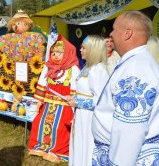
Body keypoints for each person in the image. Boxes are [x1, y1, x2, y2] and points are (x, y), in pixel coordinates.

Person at [92, 10, 159, 165]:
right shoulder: (137, 62)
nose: (111, 34)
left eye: (114, 29)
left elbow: (130, 131)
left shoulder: (135, 69)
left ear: (127, 33)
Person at [28, 35, 80, 163]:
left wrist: (74, 111)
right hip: (47, 105)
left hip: (65, 107)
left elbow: (75, 90)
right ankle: (41, 147)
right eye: (53, 52)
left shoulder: (73, 69)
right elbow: (41, 85)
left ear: (68, 53)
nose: (56, 55)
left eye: (60, 53)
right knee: (38, 123)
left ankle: (58, 151)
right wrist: (38, 103)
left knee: (60, 128)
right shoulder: (48, 67)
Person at [65, 35, 109, 166]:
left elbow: (102, 101)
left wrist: (78, 102)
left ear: (93, 50)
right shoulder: (87, 67)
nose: (80, 50)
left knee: (87, 147)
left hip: (90, 119)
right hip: (82, 116)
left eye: (83, 47)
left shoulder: (98, 70)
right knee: (79, 145)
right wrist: (75, 98)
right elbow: (86, 93)